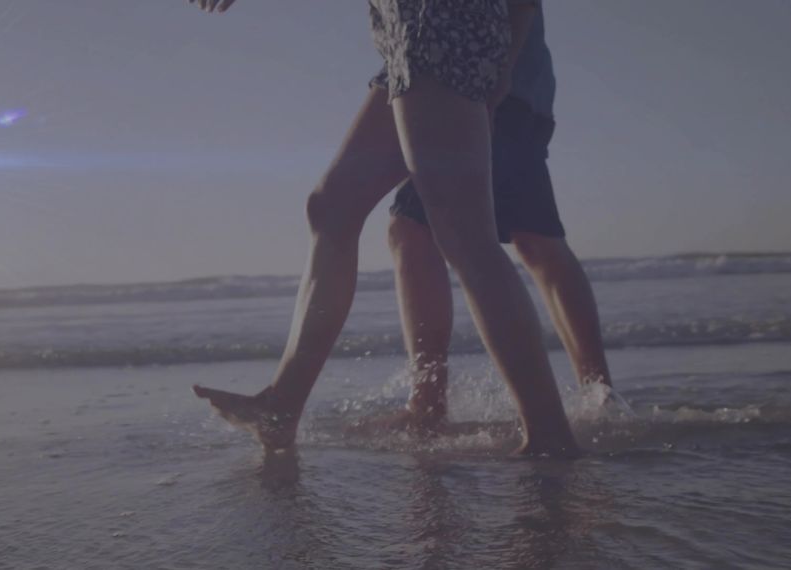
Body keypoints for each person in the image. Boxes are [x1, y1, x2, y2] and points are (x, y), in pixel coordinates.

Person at [188, 0, 580, 456]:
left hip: (441, 29)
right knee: (331, 208)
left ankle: (550, 435)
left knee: (465, 235)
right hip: (410, 40)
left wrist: (505, 63)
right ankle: (281, 407)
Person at [384, 2, 613, 432]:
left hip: (483, 83)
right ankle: (600, 393)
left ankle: (428, 404)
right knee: (535, 238)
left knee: (413, 229)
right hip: (502, 86)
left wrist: (500, 73)